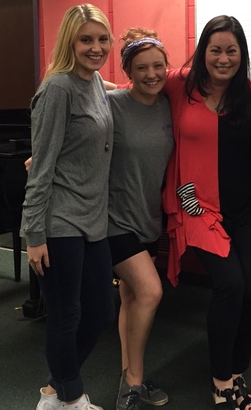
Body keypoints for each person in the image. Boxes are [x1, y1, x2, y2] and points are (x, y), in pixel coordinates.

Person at [161, 15, 251, 410]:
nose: (223, 58)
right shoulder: (181, 84)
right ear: (203, 52)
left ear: (241, 54)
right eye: (215, 50)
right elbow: (130, 85)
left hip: (246, 209)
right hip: (197, 204)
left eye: (231, 50)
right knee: (231, 285)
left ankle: (237, 369)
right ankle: (221, 381)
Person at [22, 4, 116, 410]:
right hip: (58, 220)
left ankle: (54, 390)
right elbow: (39, 168)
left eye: (101, 39)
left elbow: (121, 91)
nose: (95, 48)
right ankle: (72, 398)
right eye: (86, 40)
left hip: (92, 219)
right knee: (66, 315)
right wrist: (33, 236)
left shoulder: (94, 81)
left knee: (101, 311)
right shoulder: (57, 89)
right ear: (69, 42)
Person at [107, 29, 173, 410]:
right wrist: (44, 155)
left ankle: (126, 374)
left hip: (149, 219)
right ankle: (135, 382)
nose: (151, 74)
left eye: (157, 65)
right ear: (128, 71)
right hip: (114, 219)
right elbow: (69, 117)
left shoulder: (168, 104)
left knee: (131, 297)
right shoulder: (112, 103)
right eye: (142, 67)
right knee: (150, 292)